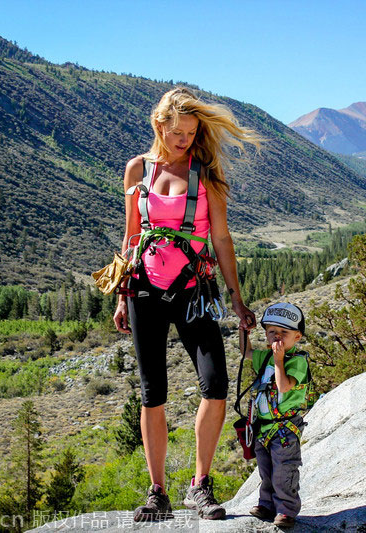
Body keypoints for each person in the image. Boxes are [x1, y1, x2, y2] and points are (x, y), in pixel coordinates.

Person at [113, 87, 259, 521]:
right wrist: (121, 296)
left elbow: (222, 238)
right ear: (160, 125)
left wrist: (236, 297)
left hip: (194, 289)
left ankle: (200, 484)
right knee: (152, 392)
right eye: (178, 132)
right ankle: (157, 491)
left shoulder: (207, 174)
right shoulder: (136, 170)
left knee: (215, 385)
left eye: (192, 133)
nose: (185, 140)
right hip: (143, 289)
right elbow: (131, 236)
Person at [240, 302, 309, 529]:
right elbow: (246, 352)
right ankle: (266, 503)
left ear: (297, 337)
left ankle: (286, 509)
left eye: (284, 333)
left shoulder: (297, 361)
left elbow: (284, 387)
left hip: (285, 428)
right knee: (266, 469)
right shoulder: (266, 357)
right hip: (264, 426)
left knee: (284, 469)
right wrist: (244, 332)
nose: (277, 337)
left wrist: (279, 361)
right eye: (272, 332)